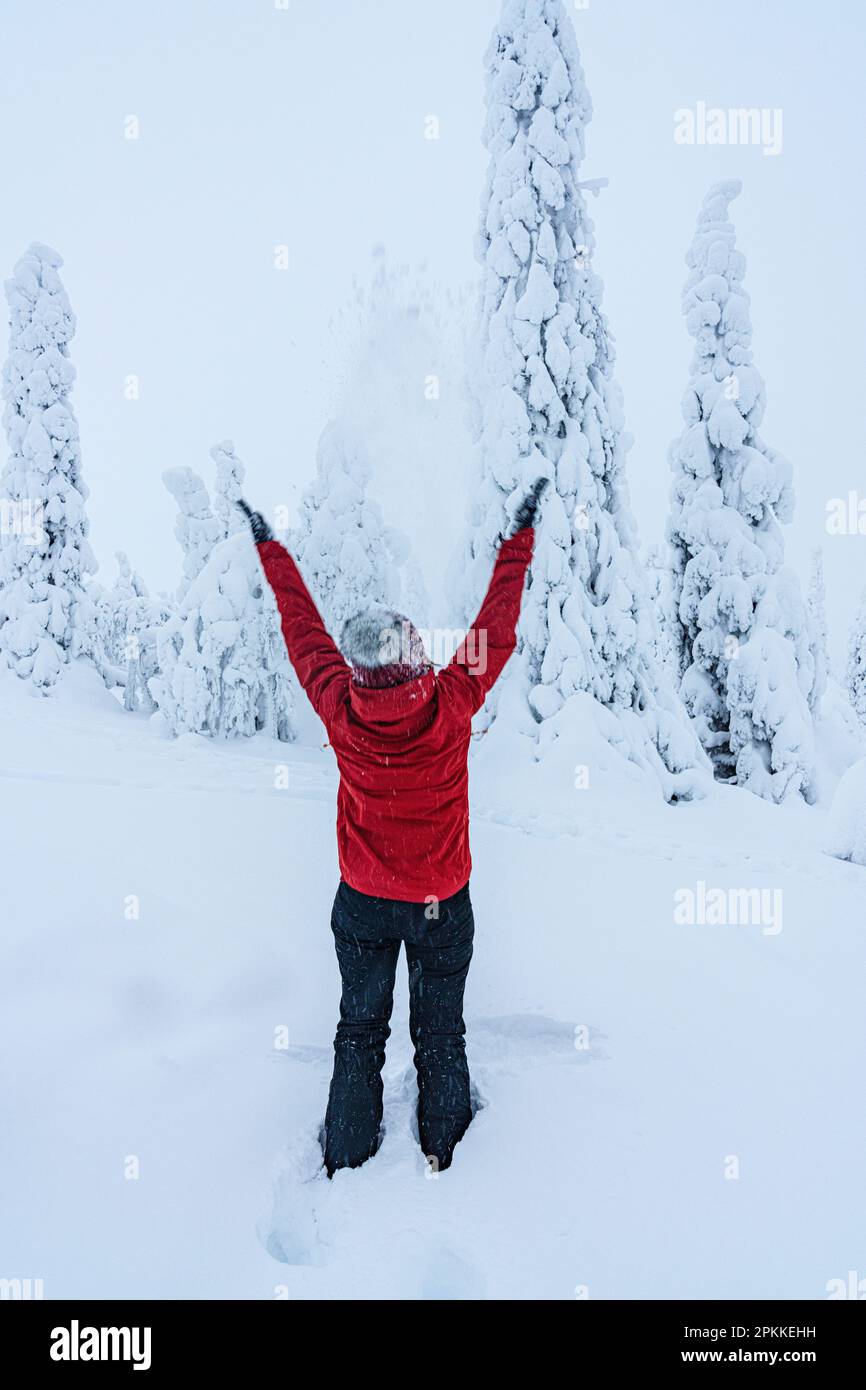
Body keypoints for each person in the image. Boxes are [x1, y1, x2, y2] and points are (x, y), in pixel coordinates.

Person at [238, 478, 547, 1176]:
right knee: (440, 1033)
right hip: (442, 903)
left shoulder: (338, 704)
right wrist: (518, 539)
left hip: (365, 903)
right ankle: (449, 1156)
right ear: (410, 653)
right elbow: (497, 623)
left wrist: (270, 546)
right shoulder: (454, 696)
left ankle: (347, 1160)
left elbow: (301, 628)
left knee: (359, 1032)